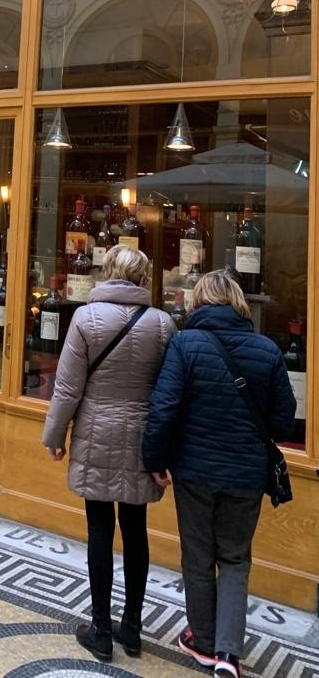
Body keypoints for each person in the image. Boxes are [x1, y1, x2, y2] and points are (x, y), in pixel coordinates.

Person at [142, 270, 296, 678]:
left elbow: (164, 409)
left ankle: (204, 641)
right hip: (246, 473)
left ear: (199, 301)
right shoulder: (267, 350)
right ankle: (228, 654)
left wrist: (154, 460)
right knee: (235, 558)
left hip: (194, 470)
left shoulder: (185, 343)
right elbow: (283, 423)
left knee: (197, 555)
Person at [42, 245, 175, 663]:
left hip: (95, 431)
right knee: (136, 530)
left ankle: (100, 628)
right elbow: (168, 392)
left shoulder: (86, 318)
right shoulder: (162, 323)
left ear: (109, 272)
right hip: (141, 435)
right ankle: (131, 628)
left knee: (99, 529)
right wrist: (165, 449)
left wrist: (55, 434)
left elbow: (68, 387)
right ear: (142, 277)